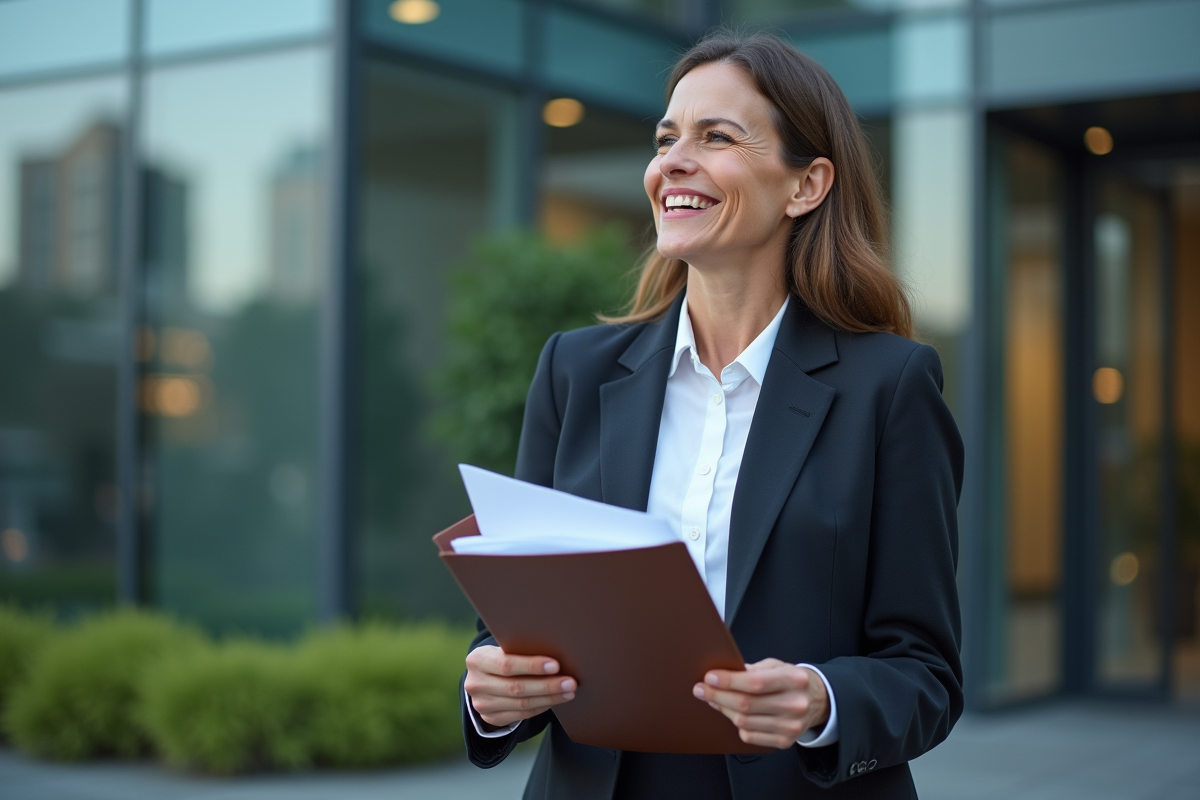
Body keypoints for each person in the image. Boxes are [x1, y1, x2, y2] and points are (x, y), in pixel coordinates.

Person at [460, 29, 964, 800]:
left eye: (716, 137)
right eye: (665, 140)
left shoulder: (890, 388)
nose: (672, 163)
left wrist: (822, 702)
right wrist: (492, 697)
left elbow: (924, 673)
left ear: (807, 186)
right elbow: (516, 627)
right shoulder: (574, 370)